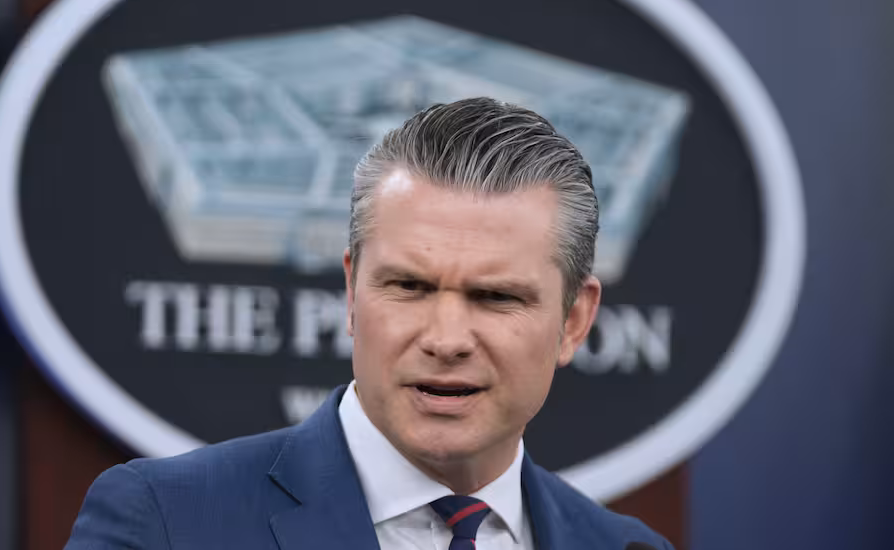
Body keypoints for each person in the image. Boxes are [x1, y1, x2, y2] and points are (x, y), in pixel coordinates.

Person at [66, 97, 674, 550]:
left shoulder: (626, 548)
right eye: (408, 287)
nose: (445, 340)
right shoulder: (166, 523)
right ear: (352, 292)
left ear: (574, 320)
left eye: (494, 297)